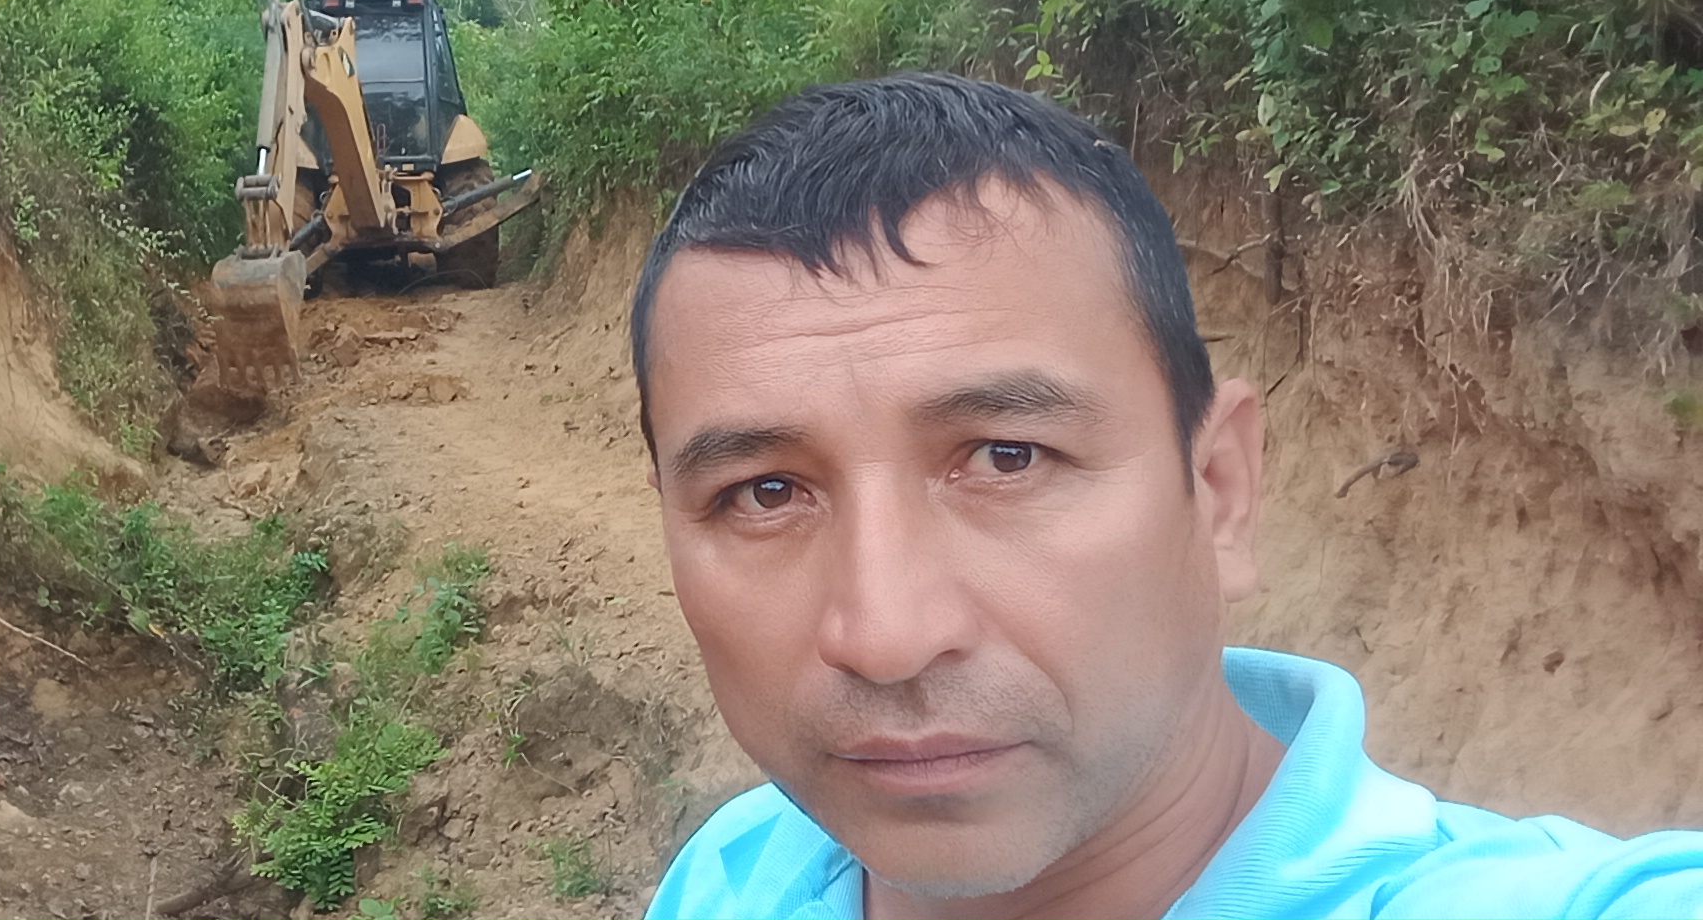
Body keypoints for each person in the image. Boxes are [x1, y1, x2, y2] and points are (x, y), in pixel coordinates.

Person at [631, 74, 1703, 920]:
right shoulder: (734, 873)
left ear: (1221, 489)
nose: (886, 636)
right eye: (764, 491)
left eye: (1008, 457)